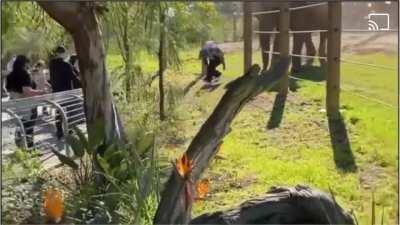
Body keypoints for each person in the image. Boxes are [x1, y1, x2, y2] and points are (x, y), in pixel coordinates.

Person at [6, 55, 46, 148]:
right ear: (24, 63)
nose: (29, 65)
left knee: (20, 125)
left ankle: (20, 146)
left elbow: (9, 91)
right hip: (28, 105)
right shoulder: (24, 74)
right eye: (28, 63)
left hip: (16, 105)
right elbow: (27, 91)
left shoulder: (10, 75)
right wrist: (41, 92)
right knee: (29, 127)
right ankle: (30, 147)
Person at [49, 46, 81, 139]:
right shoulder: (66, 65)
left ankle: (59, 130)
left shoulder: (51, 64)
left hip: (56, 91)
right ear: (63, 53)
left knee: (59, 111)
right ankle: (70, 129)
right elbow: (73, 77)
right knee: (70, 110)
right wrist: (82, 84)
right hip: (66, 91)